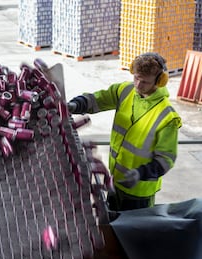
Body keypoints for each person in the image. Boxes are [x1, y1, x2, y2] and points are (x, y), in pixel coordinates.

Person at [67, 52, 182, 211]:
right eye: (136, 78)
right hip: (116, 182)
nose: (138, 85)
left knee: (133, 232)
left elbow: (166, 160)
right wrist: (76, 105)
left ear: (160, 82)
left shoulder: (167, 117)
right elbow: (99, 99)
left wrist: (139, 174)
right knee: (112, 225)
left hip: (139, 192)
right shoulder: (126, 91)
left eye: (145, 82)